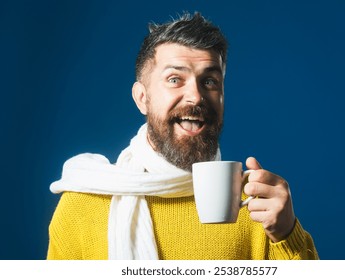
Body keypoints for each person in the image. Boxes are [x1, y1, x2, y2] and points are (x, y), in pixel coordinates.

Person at [47, 12, 318, 260]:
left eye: (210, 81)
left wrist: (287, 234)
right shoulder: (81, 207)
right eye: (175, 79)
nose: (196, 96)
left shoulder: (259, 209)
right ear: (142, 98)